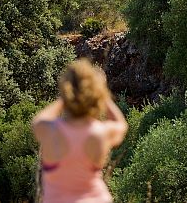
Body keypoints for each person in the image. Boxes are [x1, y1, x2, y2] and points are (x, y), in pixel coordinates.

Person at [33, 59, 128, 203]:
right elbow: (121, 125)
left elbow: (38, 121)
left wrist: (64, 99)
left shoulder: (52, 131)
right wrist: (102, 93)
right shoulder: (100, 132)